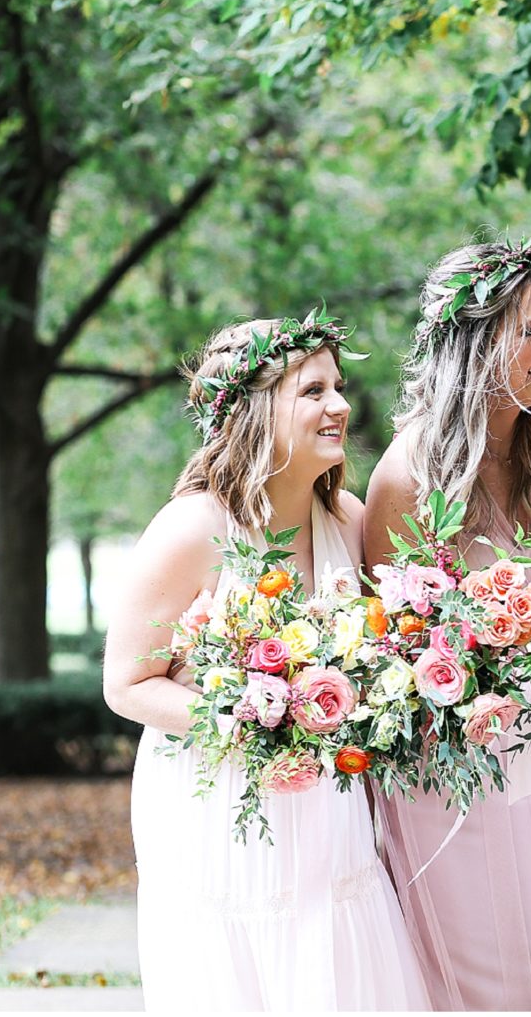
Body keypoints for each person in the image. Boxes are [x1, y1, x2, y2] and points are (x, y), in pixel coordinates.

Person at [103, 314, 429, 1011]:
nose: (339, 404)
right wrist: (260, 721)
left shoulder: (347, 517)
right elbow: (127, 683)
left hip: (328, 811)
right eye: (313, 390)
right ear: (256, 410)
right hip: (221, 808)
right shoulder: (193, 529)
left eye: (338, 387)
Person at [362, 236, 531, 1011]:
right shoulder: (409, 475)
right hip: (455, 775)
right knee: (486, 978)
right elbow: (392, 653)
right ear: (473, 340)